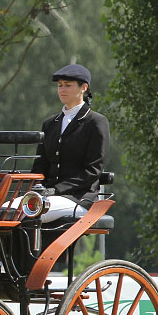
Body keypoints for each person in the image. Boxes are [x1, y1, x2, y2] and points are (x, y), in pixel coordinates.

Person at [31, 64, 110, 223]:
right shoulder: (49, 124)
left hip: (79, 197)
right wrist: (36, 188)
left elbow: (93, 170)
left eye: (68, 85)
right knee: (7, 210)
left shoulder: (96, 122)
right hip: (48, 196)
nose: (62, 89)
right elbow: (40, 164)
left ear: (84, 88)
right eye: (60, 85)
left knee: (34, 212)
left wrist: (57, 190)